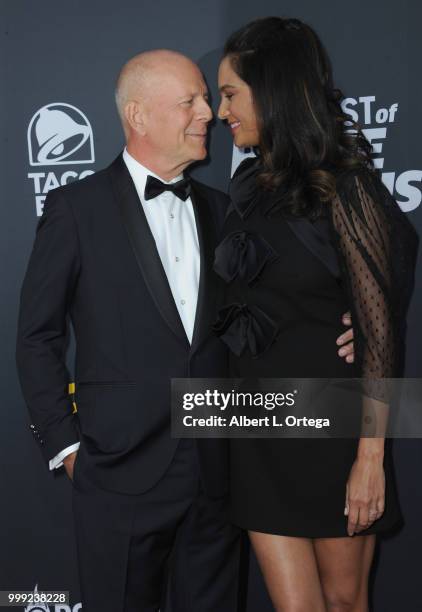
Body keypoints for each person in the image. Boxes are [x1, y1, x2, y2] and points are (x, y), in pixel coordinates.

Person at [16, 48, 354, 611]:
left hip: (218, 474)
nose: (208, 114)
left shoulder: (227, 210)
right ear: (139, 116)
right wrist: (68, 447)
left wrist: (355, 325)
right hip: (118, 474)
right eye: (190, 101)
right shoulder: (76, 209)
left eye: (207, 98)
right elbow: (36, 338)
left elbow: (280, 307)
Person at [215, 17, 418, 612]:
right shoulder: (248, 185)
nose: (222, 109)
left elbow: (381, 337)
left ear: (272, 89)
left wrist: (371, 460)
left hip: (334, 430)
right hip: (255, 425)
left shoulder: (346, 189)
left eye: (230, 94)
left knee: (344, 601)